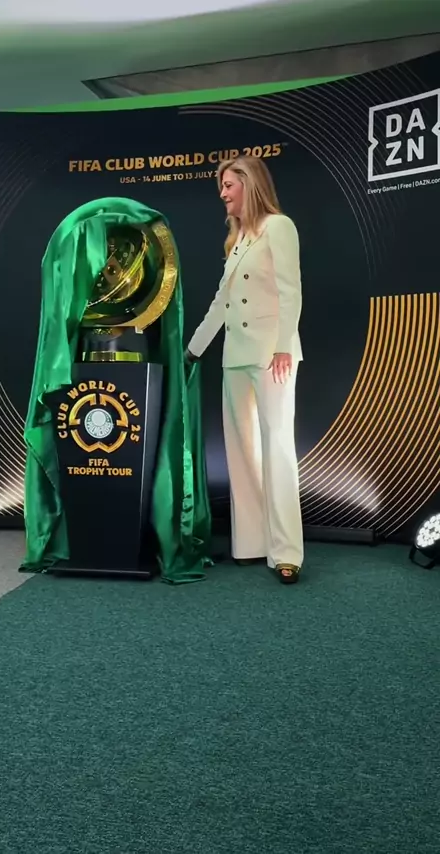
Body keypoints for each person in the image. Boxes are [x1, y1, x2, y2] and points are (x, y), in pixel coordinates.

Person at [185, 155, 304, 584]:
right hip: (234, 356)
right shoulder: (237, 239)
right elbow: (222, 302)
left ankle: (286, 552)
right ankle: (252, 543)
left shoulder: (279, 226)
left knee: (278, 449)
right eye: (221, 186)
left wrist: (284, 345)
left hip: (272, 354)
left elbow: (291, 290)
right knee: (242, 452)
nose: (223, 193)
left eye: (229, 185)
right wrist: (193, 350)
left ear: (249, 185)